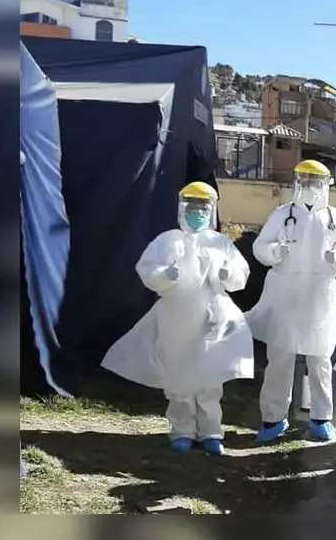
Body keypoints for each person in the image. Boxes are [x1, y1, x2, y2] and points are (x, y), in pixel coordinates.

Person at [101, 181, 254, 455]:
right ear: (182, 207)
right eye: (192, 206)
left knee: (210, 377)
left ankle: (210, 433)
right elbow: (146, 268)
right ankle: (182, 430)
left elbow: (240, 272)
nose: (197, 212)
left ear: (211, 209)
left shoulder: (220, 242)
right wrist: (164, 275)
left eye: (203, 207)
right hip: (175, 316)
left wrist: (226, 275)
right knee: (178, 375)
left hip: (212, 317)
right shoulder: (167, 240)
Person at [246, 160, 336, 442]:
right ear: (297, 183)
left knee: (320, 359)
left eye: (315, 181)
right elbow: (259, 247)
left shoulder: (335, 218)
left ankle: (320, 419)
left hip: (320, 295)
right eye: (305, 181)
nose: (309, 187)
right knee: (280, 359)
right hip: (285, 293)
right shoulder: (281, 214)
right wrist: (275, 252)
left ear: (326, 185)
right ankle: (273, 419)